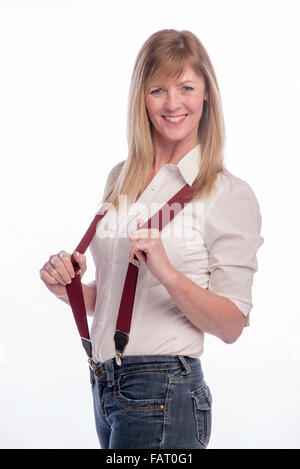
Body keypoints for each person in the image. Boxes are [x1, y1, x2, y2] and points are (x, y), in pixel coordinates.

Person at [39, 29, 264, 449]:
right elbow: (117, 295)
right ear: (141, 98)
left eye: (186, 88)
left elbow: (232, 325)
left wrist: (168, 273)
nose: (173, 103)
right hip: (105, 385)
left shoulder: (227, 193)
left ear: (207, 96)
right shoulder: (120, 178)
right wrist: (68, 289)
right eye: (157, 89)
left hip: (165, 390)